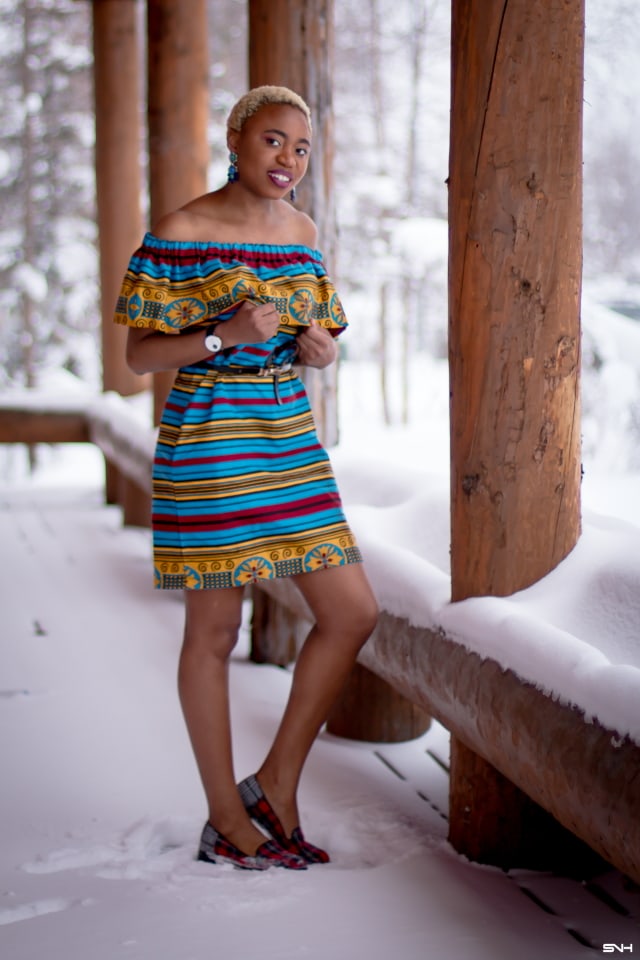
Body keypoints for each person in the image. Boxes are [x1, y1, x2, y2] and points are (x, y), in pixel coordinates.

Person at [114, 85, 378, 871]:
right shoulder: (182, 230)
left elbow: (313, 329)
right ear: (235, 139)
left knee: (353, 612)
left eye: (299, 148)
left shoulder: (301, 234)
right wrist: (219, 336)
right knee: (216, 632)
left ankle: (275, 783)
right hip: (209, 439)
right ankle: (226, 817)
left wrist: (319, 347)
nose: (287, 160)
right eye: (272, 141)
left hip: (289, 437)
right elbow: (138, 356)